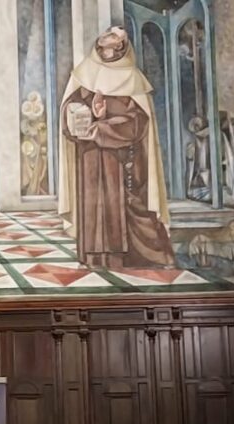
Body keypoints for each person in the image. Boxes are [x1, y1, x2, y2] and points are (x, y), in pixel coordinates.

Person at [59, 26, 175, 271]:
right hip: (90, 156)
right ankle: (94, 258)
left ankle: (137, 257)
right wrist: (85, 115)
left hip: (123, 159)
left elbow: (138, 123)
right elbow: (70, 109)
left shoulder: (132, 77)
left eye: (113, 48)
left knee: (131, 207)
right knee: (92, 206)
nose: (108, 53)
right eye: (104, 48)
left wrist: (103, 127)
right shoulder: (84, 74)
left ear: (122, 49)